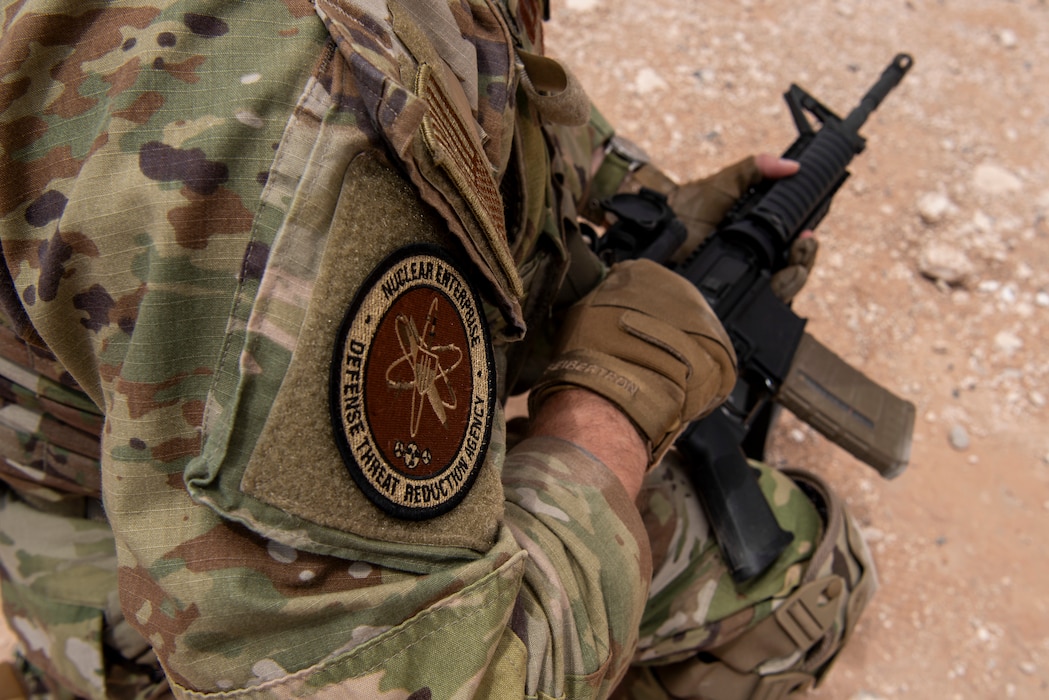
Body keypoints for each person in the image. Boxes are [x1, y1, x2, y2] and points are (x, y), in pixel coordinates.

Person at [0, 1, 877, 698]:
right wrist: (609, 410)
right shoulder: (290, 111)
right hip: (137, 590)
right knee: (803, 583)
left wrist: (641, 204)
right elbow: (407, 675)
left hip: (87, 452)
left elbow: (480, 85)